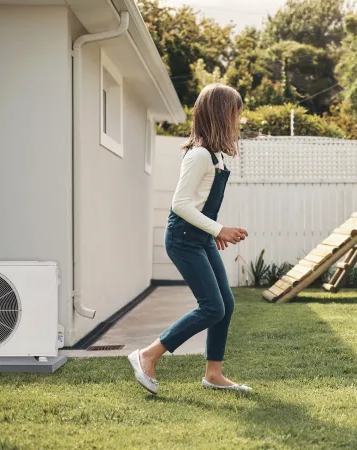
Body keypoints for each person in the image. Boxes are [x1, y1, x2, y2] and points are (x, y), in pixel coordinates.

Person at [128, 83, 251, 394]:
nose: (239, 120)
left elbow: (198, 203)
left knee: (226, 303)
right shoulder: (198, 155)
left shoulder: (217, 156)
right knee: (212, 307)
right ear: (222, 115)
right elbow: (180, 204)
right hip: (183, 239)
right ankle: (147, 355)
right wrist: (217, 228)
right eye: (236, 114)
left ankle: (213, 373)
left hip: (200, 238)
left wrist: (213, 230)